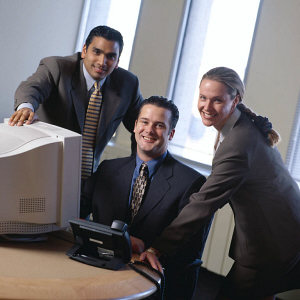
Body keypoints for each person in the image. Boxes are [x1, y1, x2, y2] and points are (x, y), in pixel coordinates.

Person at [141, 67, 300, 300]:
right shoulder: (241, 125)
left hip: (273, 242)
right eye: (203, 97)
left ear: (235, 100)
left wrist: (158, 247)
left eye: (217, 100)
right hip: (285, 232)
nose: (206, 106)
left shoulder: (238, 143)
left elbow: (205, 203)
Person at [80, 96, 211, 300]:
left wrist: (150, 248)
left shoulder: (191, 182)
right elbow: (75, 210)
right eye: (145, 122)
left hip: (153, 282)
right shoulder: (108, 169)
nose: (149, 130)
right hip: (99, 272)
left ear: (171, 134)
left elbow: (190, 249)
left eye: (159, 125)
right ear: (135, 126)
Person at [8, 25, 143, 179]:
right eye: (97, 52)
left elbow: (141, 126)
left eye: (111, 56)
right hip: (42, 172)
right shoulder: (57, 67)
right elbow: (31, 87)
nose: (102, 62)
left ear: (117, 61)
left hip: (87, 179)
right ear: (84, 50)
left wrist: (138, 167)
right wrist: (26, 107)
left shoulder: (128, 84)